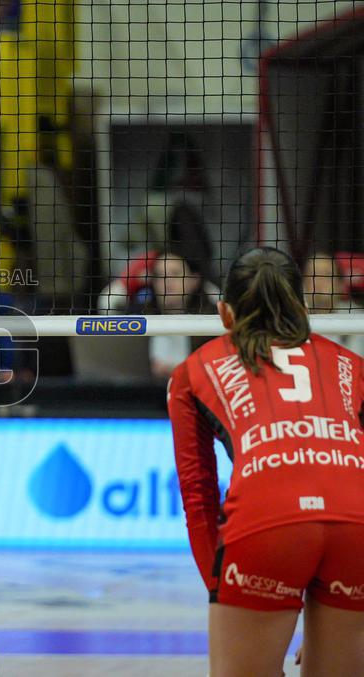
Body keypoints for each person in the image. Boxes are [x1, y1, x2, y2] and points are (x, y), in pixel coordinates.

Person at [168, 247, 364, 677]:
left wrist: (227, 596)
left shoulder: (195, 369)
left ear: (225, 314)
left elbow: (198, 496)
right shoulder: (353, 364)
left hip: (268, 524)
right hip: (356, 524)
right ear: (302, 305)